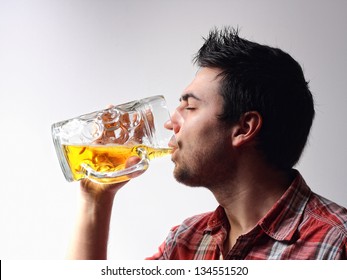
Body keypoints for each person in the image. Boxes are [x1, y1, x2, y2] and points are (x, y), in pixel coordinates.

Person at [67, 27, 347, 260]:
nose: (169, 124)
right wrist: (96, 199)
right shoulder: (188, 241)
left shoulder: (336, 245)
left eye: (189, 107)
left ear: (244, 128)